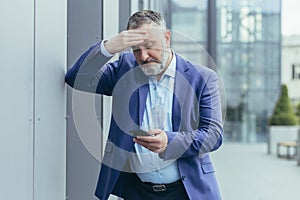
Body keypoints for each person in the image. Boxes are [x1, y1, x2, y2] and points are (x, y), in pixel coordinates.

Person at [65, 10, 223, 200]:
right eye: (136, 50)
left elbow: (213, 135)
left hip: (187, 191)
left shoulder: (202, 78)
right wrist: (109, 47)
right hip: (137, 192)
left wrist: (170, 142)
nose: (144, 56)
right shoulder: (124, 69)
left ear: (166, 38)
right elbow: (77, 78)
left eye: (149, 46)